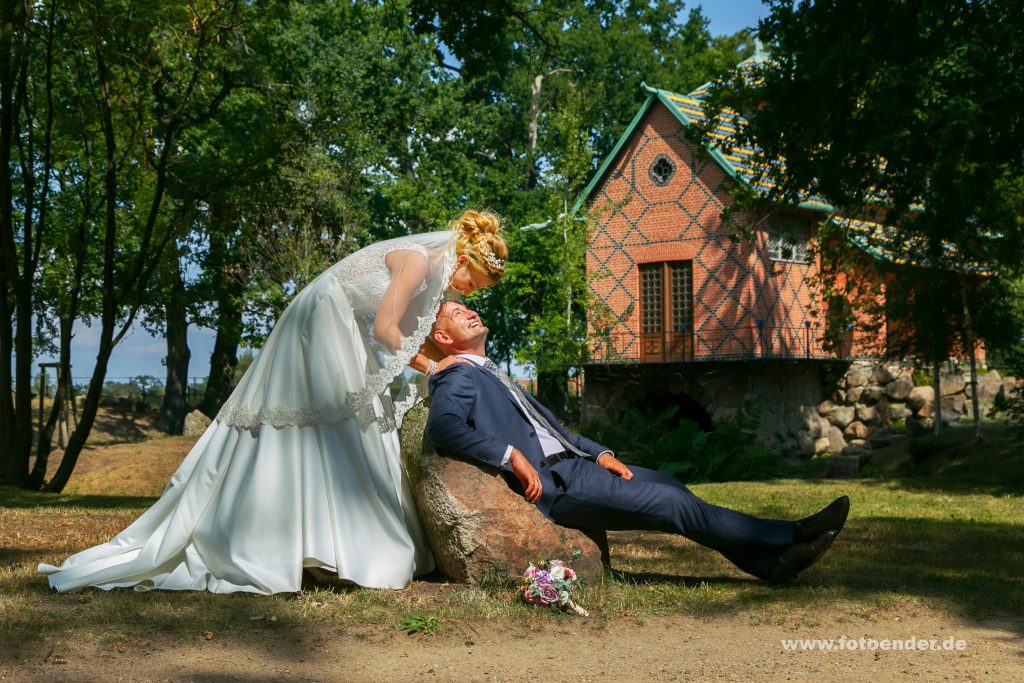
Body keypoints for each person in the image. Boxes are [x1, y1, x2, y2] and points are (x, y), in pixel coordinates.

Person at [39, 210, 508, 594]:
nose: (467, 292)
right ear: (464, 259)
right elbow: (388, 333)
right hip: (323, 316)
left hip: (335, 319)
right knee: (332, 417)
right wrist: (438, 368)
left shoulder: (430, 271)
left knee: (344, 421)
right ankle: (315, 544)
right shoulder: (420, 263)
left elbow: (407, 337)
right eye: (474, 283)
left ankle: (324, 543)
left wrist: (448, 363)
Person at [426, 302, 850, 583]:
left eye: (469, 307)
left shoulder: (490, 371)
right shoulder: (458, 374)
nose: (471, 311)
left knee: (670, 485)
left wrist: (602, 454)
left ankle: (771, 566)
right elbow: (443, 428)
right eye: (458, 313)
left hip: (580, 465)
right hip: (559, 484)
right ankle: (792, 534)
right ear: (443, 338)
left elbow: (558, 432)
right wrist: (510, 455)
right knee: (673, 507)